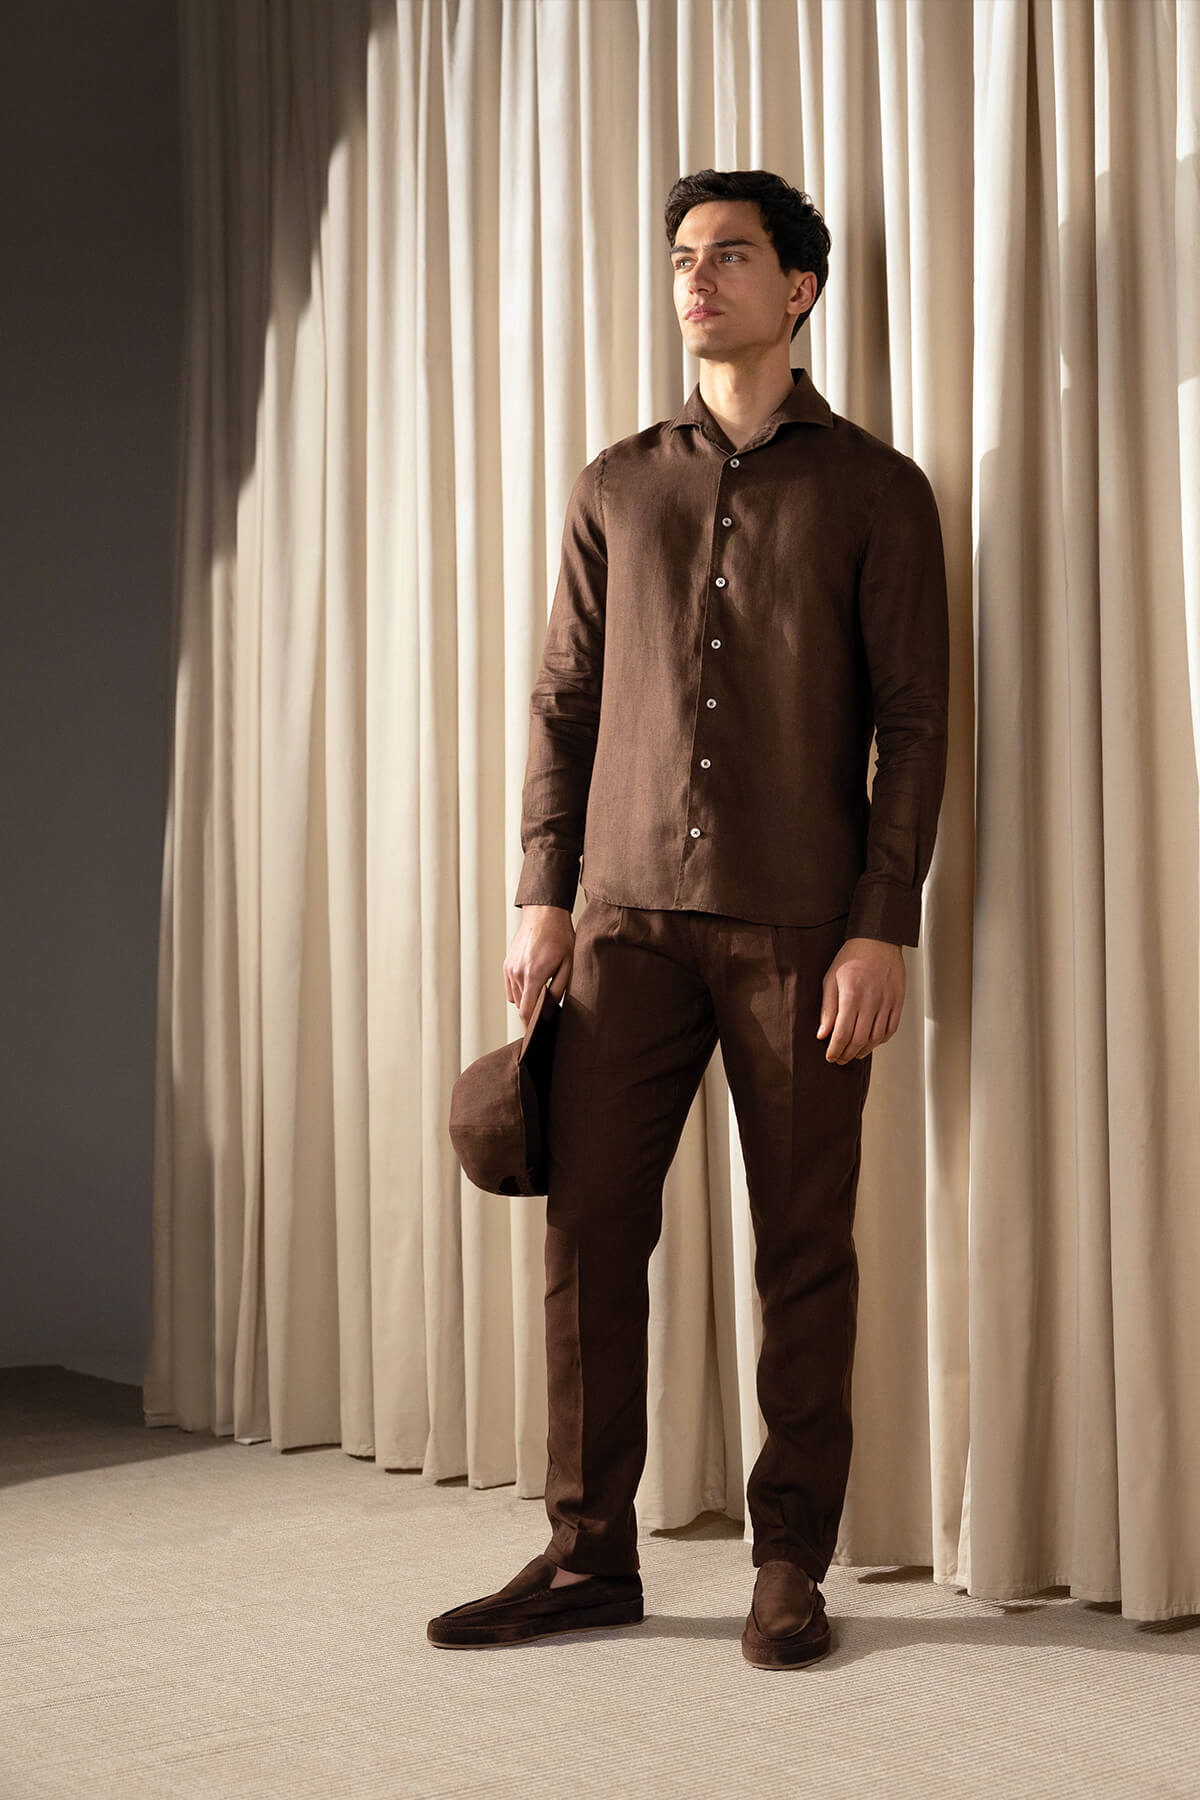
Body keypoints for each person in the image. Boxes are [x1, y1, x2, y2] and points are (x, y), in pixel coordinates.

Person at [428, 167, 949, 1668]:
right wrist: (542, 897)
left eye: (728, 255)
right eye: (680, 258)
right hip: (624, 925)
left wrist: (881, 923)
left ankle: (790, 1564)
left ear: (800, 289)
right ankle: (588, 1554)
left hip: (802, 932)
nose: (695, 279)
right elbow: (564, 701)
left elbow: (913, 726)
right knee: (589, 1236)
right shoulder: (615, 485)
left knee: (804, 1250)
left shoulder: (879, 491)